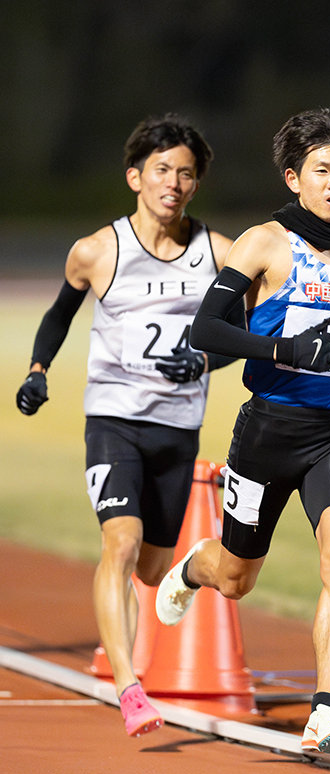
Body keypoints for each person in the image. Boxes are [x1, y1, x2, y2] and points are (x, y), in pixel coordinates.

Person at [155, 107, 330, 755]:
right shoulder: (262, 243)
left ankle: (325, 712)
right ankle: (194, 567)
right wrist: (285, 351)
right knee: (238, 576)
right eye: (322, 170)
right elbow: (206, 332)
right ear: (294, 178)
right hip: (265, 431)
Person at [16, 114, 238, 737]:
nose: (173, 182)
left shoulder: (219, 254)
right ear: (136, 176)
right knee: (120, 543)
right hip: (114, 419)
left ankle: (189, 568)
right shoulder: (96, 251)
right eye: (162, 169)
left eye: (186, 173)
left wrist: (205, 357)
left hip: (179, 427)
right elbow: (61, 314)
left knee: (150, 568)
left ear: (196, 184)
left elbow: (245, 336)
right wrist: (38, 370)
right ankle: (128, 685)